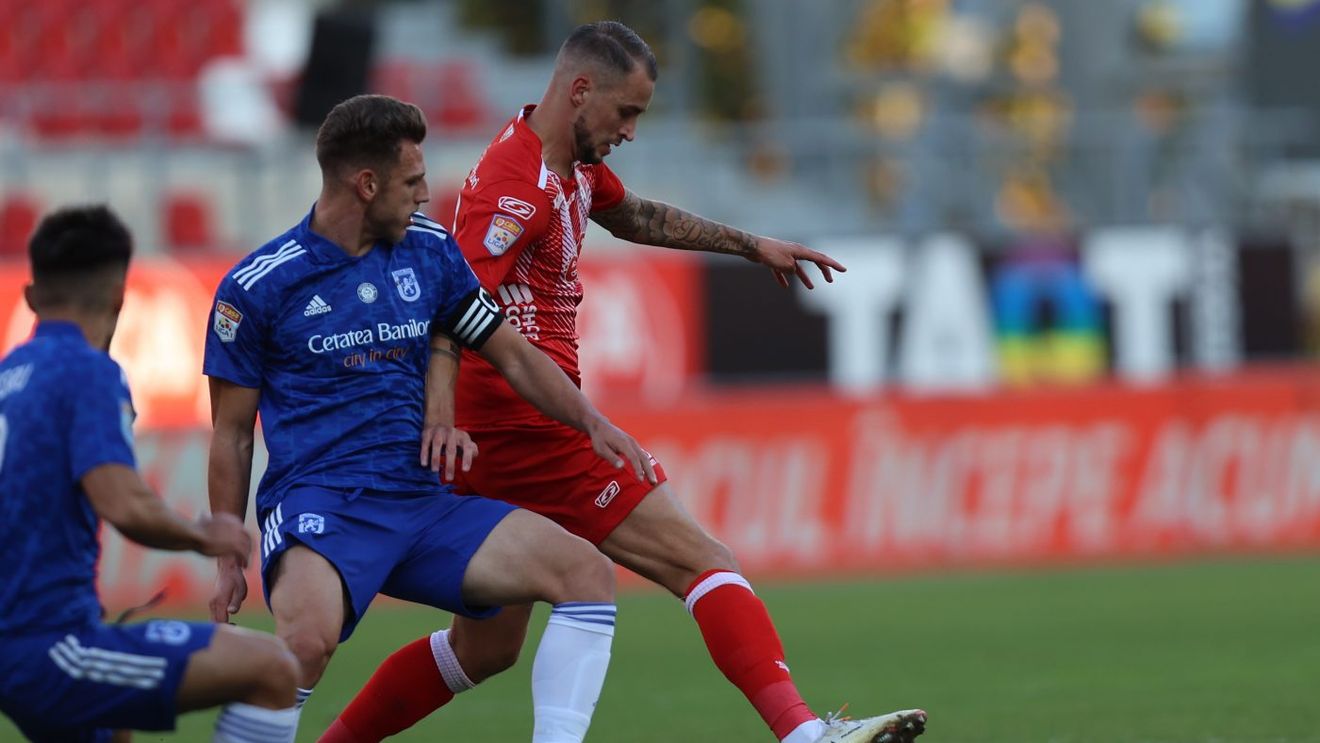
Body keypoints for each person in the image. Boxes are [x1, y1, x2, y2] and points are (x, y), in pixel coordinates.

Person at [329, 20, 927, 743]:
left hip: (505, 432)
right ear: (581, 91)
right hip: (528, 425)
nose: (631, 131)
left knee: (484, 647)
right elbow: (447, 308)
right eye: (627, 112)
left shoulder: (570, 166)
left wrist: (748, 243)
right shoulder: (514, 186)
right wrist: (444, 414)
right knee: (703, 559)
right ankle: (805, 734)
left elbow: (633, 213)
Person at [205, 93, 658, 743]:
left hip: (423, 500)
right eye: (412, 182)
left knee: (584, 572)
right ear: (366, 184)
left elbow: (510, 353)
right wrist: (227, 553)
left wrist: (592, 421)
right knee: (305, 640)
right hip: (323, 504)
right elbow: (229, 432)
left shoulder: (430, 251)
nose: (425, 196)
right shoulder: (257, 287)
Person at [0, 205, 301, 743]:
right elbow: (123, 503)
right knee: (271, 666)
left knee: (112, 727)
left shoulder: (8, 378)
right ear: (119, 298)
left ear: (30, 299)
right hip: (45, 645)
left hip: (27, 641)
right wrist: (201, 533)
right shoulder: (89, 371)